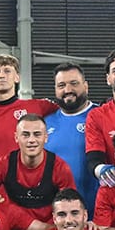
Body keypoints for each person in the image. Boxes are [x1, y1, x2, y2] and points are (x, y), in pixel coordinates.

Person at [0, 53, 58, 167]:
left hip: (30, 181)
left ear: (17, 77)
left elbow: (69, 115)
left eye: (7, 71)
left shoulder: (39, 106)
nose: (1, 75)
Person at [43, 61, 97, 198]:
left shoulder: (102, 115)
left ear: (86, 86)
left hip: (98, 212)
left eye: (74, 83)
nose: (67, 90)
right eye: (61, 85)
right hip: (59, 213)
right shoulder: (46, 123)